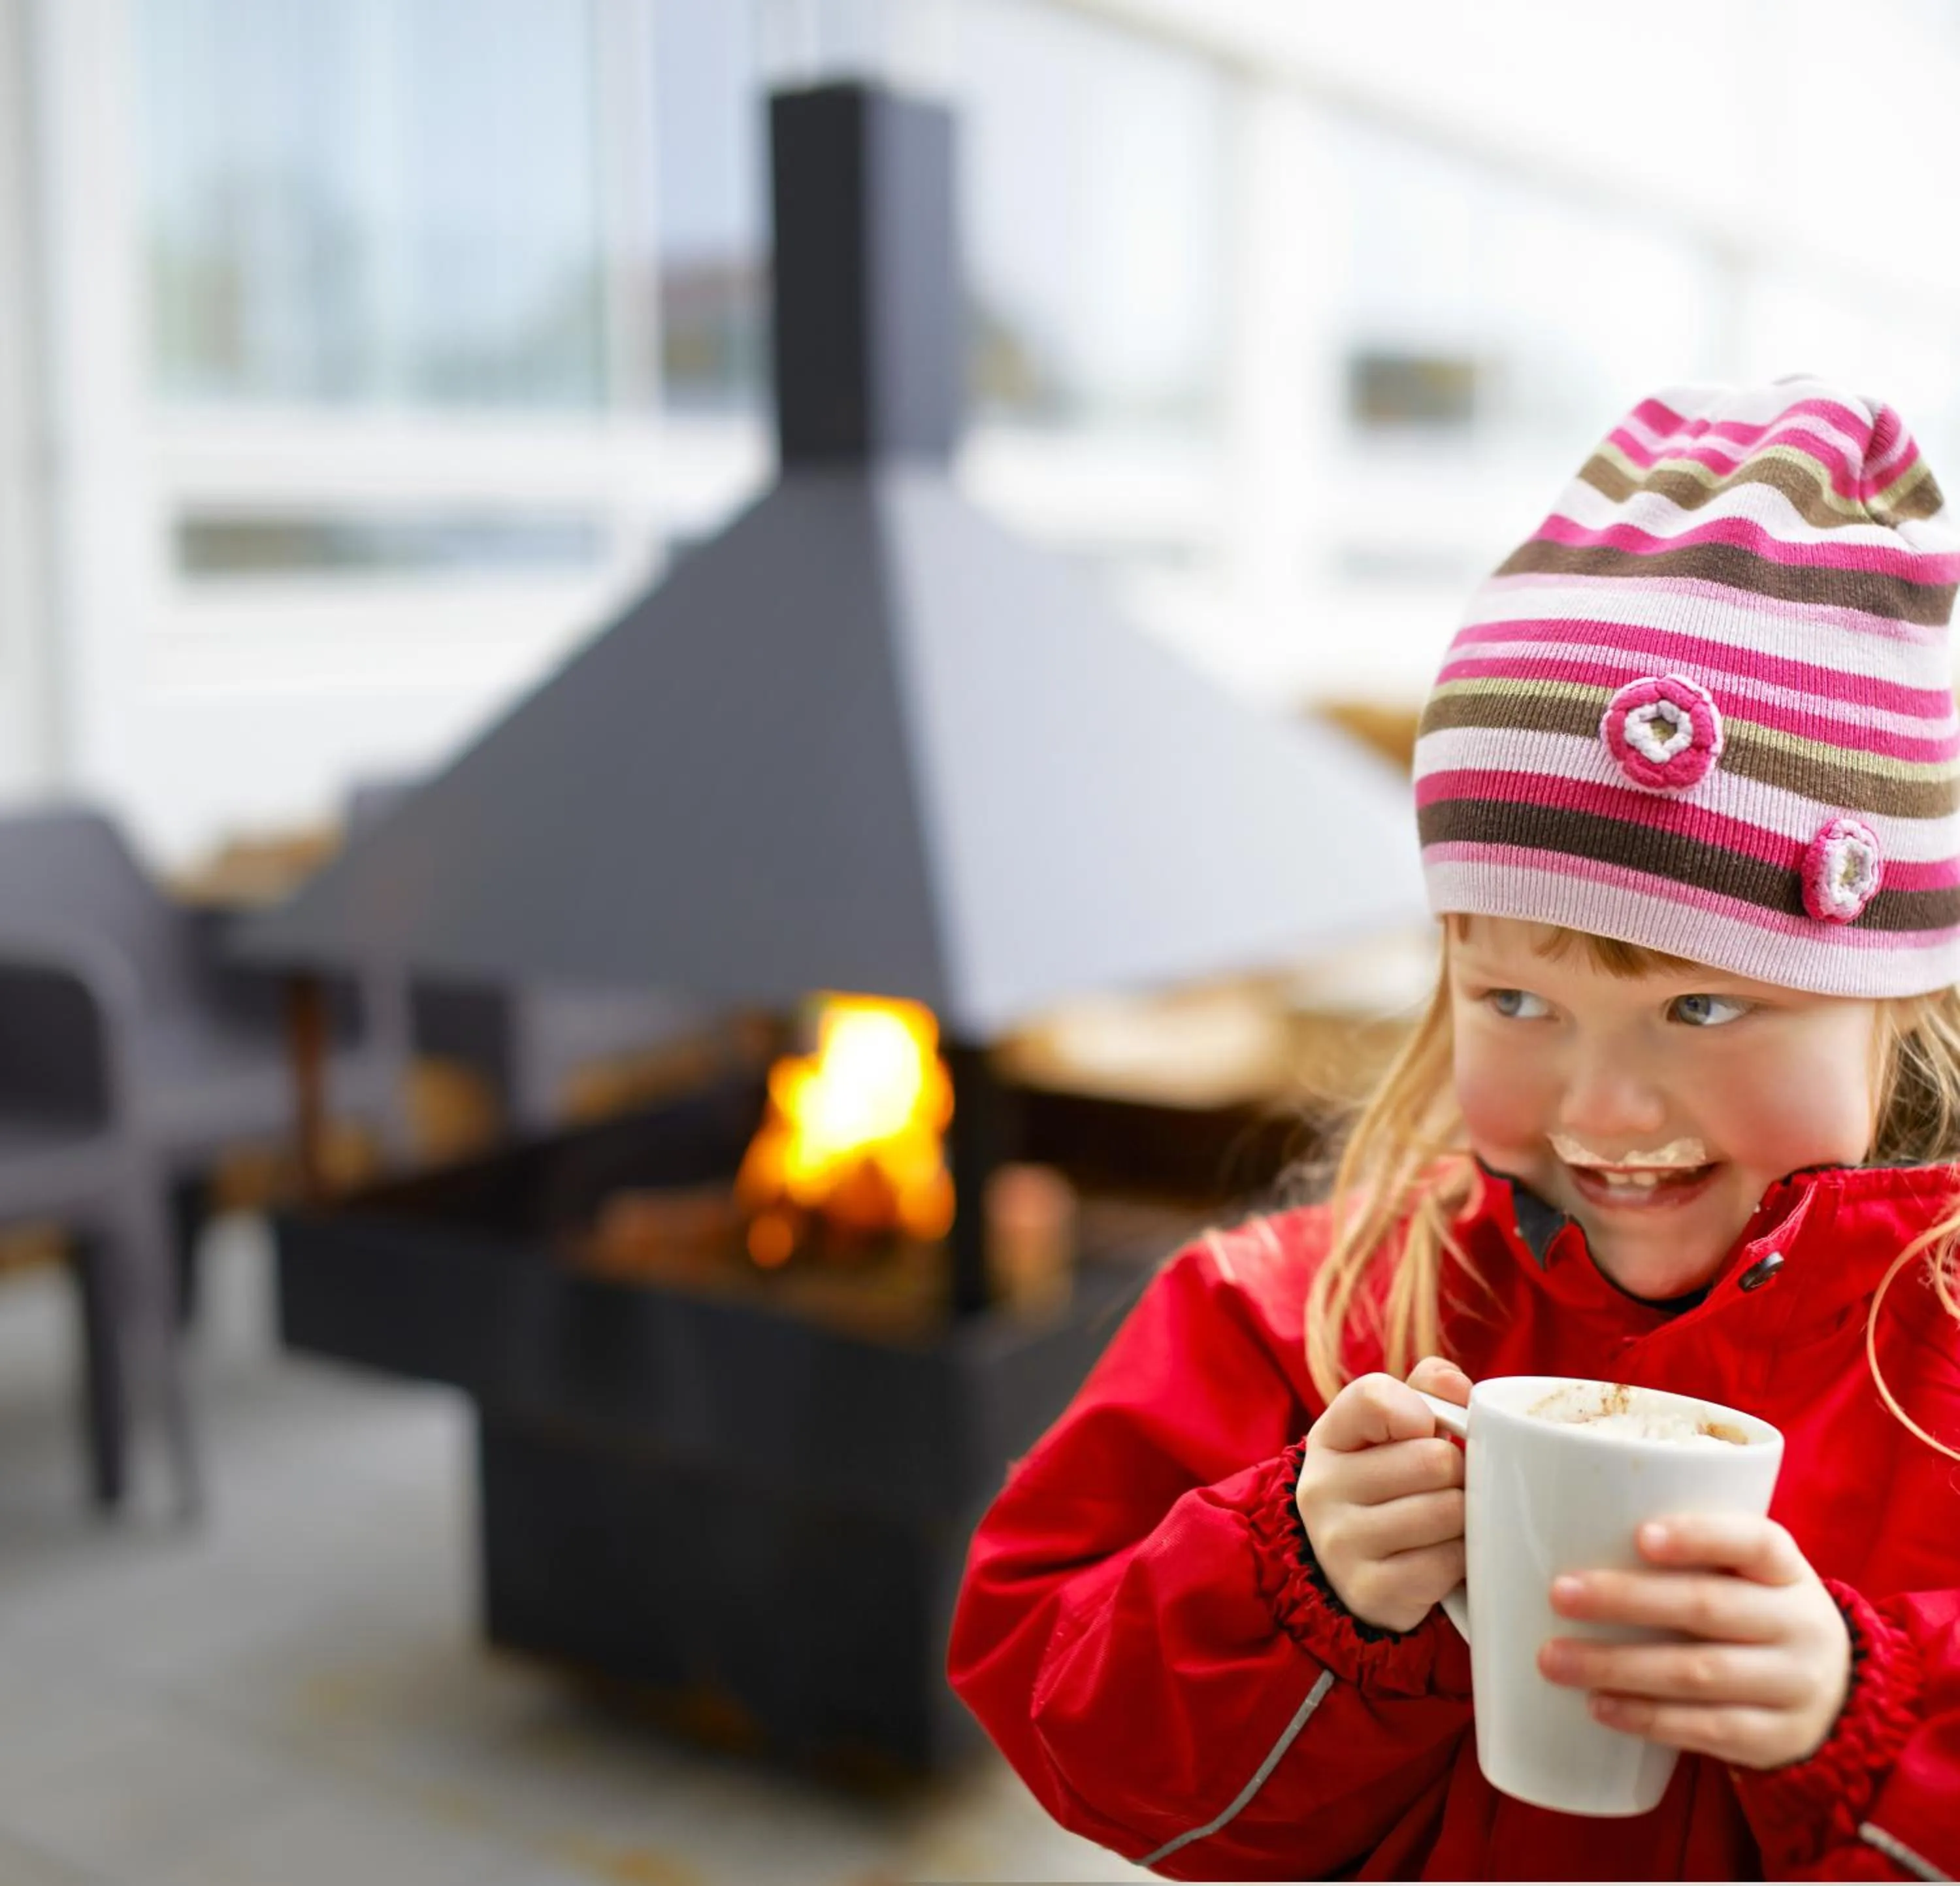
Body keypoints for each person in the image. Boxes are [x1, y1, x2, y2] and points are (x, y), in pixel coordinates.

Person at [946, 377, 1960, 1881]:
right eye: (1517, 1001)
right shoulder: (1297, 1318)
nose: (1603, 1111)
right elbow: (1053, 1688)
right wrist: (1294, 1581)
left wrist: (1866, 1722)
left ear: (1895, 998)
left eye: (1701, 1008)